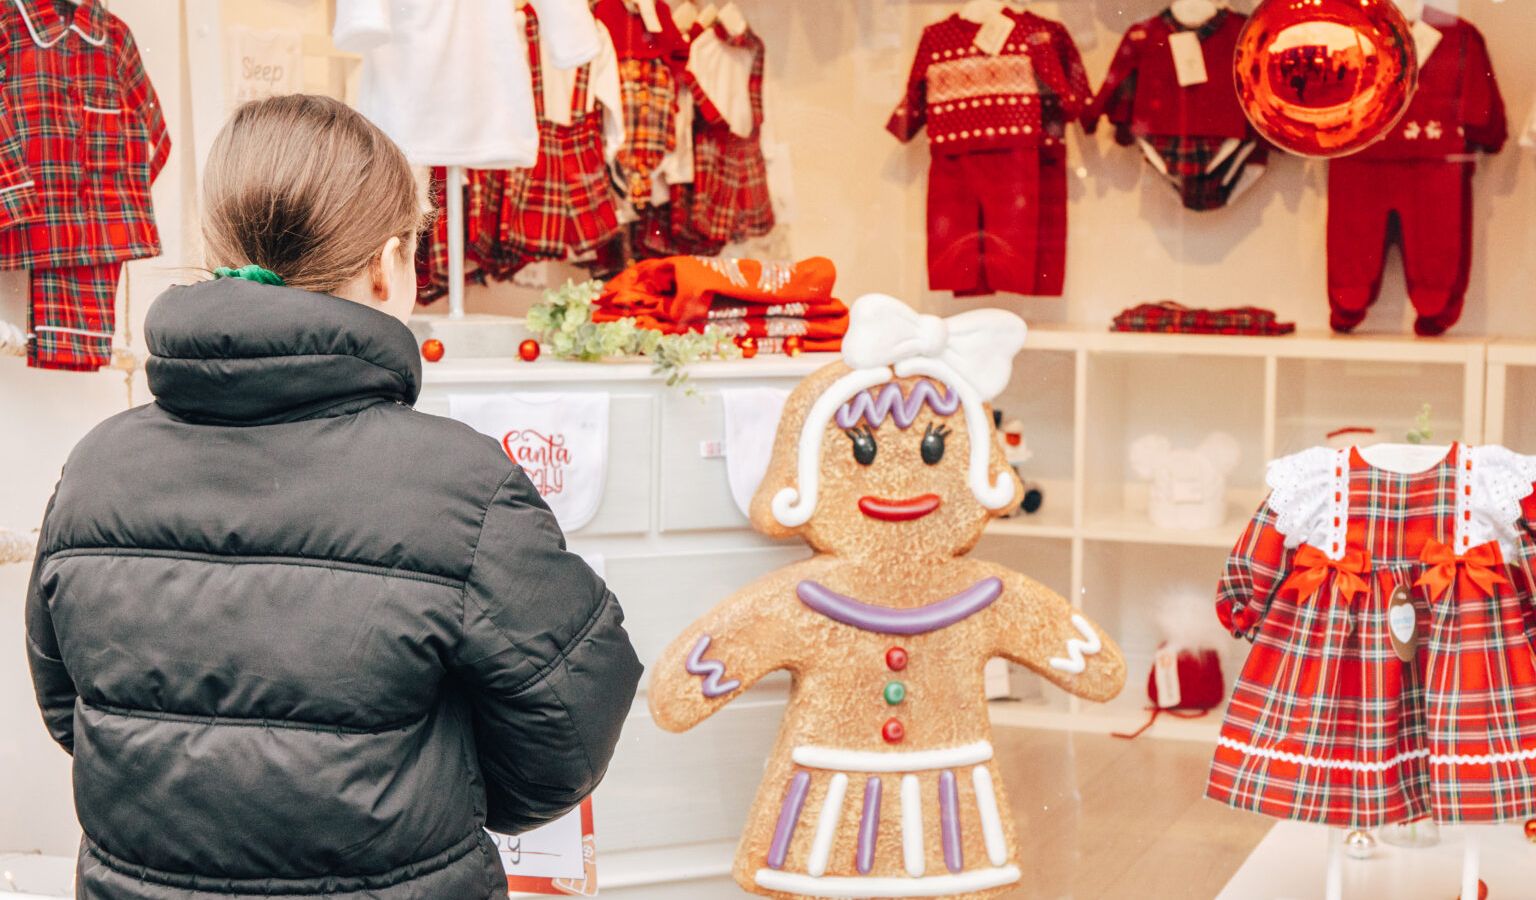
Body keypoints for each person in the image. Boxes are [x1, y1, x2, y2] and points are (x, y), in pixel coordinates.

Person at [23, 94, 643, 899]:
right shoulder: (464, 487)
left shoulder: (96, 466)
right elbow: (568, 728)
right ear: (389, 264)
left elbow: (75, 714)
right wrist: (438, 790)